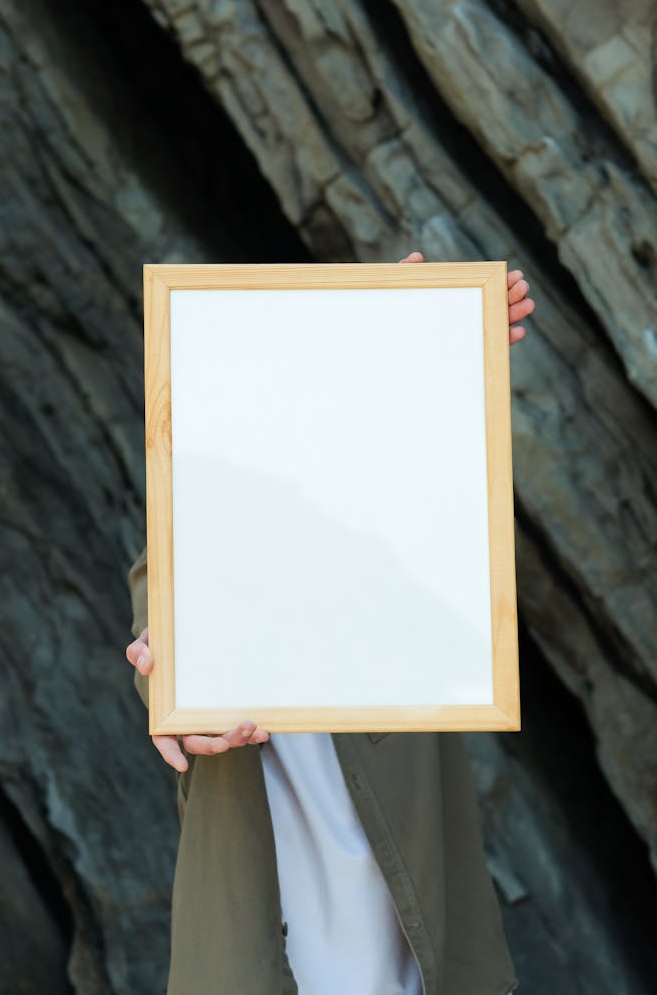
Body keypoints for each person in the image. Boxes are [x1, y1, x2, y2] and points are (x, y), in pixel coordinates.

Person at [126, 252, 534, 995]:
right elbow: (157, 618)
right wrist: (171, 689)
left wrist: (441, 346)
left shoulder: (395, 537)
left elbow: (426, 486)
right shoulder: (197, 540)